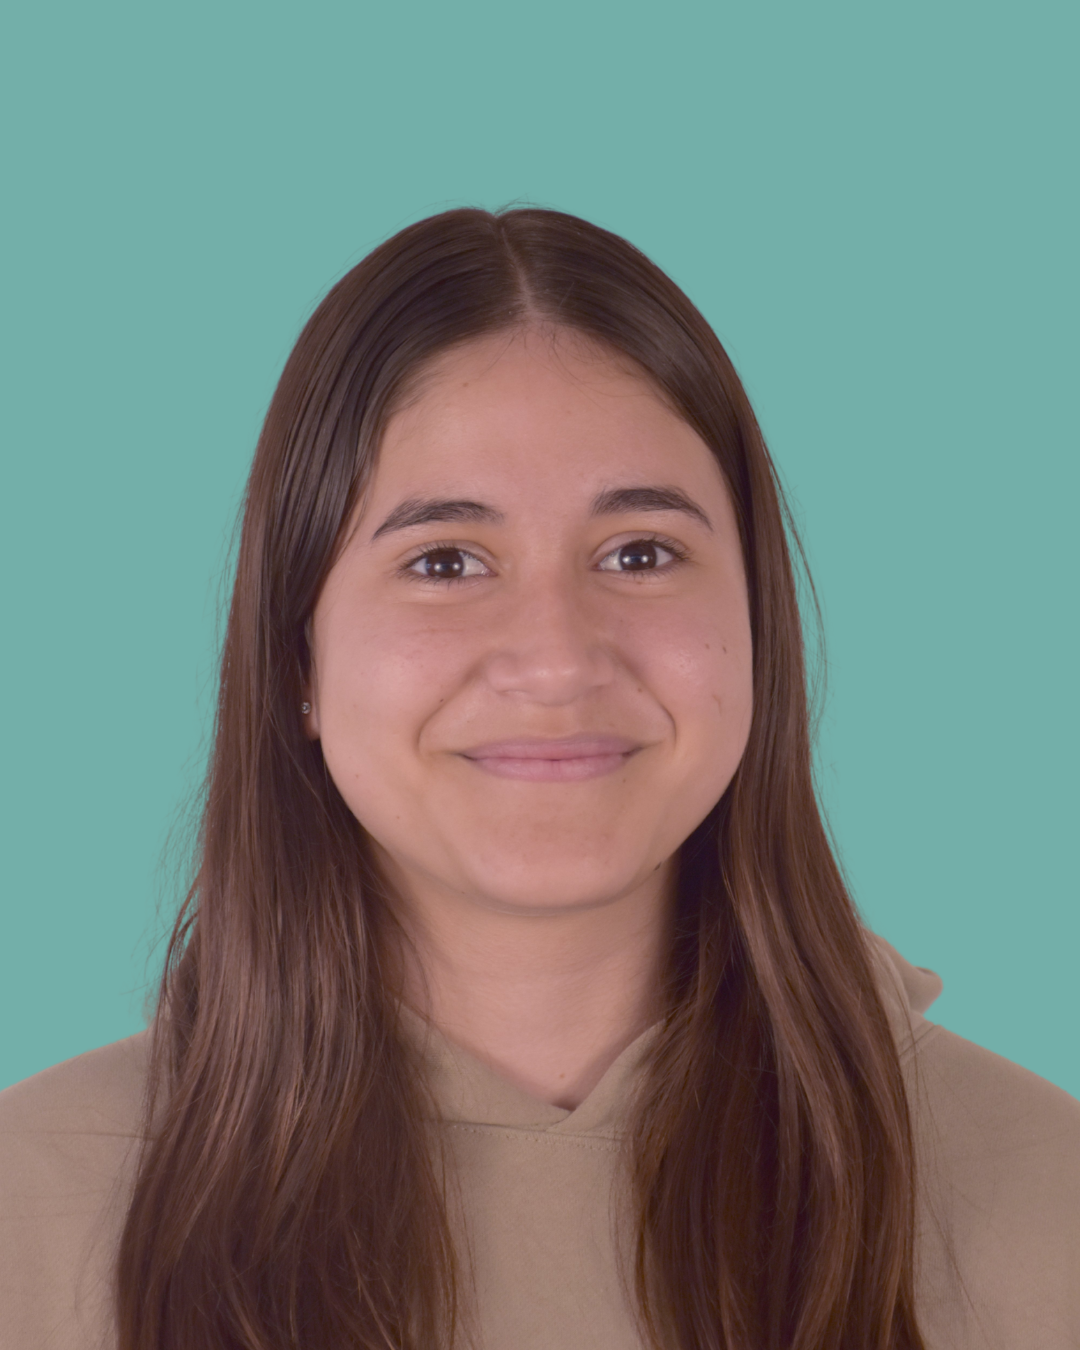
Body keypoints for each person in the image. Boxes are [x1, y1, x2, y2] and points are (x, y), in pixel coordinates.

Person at [1, 207, 1077, 1350]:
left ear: (758, 628)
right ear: (296, 661)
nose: (559, 657)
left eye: (640, 553)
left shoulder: (1044, 1196)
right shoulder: (33, 1210)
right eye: (446, 561)